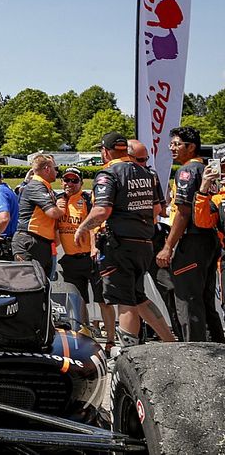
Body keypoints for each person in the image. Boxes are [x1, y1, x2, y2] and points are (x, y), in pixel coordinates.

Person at [74, 131, 175, 347]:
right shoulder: (148, 174)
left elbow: (101, 211)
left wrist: (82, 228)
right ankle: (171, 343)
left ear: (105, 152)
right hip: (144, 243)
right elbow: (157, 208)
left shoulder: (108, 174)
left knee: (124, 301)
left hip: (118, 245)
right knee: (139, 297)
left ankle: (127, 353)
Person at [156, 127, 224, 342]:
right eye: (171, 144)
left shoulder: (186, 171)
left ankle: (192, 353)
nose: (172, 148)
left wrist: (168, 246)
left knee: (187, 299)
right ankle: (217, 347)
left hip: (193, 241)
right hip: (210, 240)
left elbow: (184, 212)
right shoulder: (205, 168)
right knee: (204, 300)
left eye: (177, 144)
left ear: (191, 146)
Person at [55, 167, 116, 351]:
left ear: (81, 183)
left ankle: (111, 340)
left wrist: (94, 247)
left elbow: (95, 223)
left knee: (103, 300)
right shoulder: (59, 201)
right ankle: (83, 338)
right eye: (67, 180)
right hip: (70, 259)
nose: (70, 184)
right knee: (77, 303)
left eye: (74, 180)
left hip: (90, 258)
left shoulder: (87, 199)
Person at [127, 139, 182, 340]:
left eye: (146, 160)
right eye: (140, 160)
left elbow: (159, 208)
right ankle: (140, 335)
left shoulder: (150, 175)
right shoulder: (117, 174)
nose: (144, 163)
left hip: (150, 239)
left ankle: (179, 335)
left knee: (169, 289)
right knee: (132, 294)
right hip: (130, 243)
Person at [12, 154, 65, 274]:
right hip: (29, 240)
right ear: (47, 169)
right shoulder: (36, 186)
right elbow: (53, 212)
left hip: (41, 243)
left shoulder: (45, 187)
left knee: (43, 286)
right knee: (29, 284)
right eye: (55, 168)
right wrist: (61, 210)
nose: (57, 172)